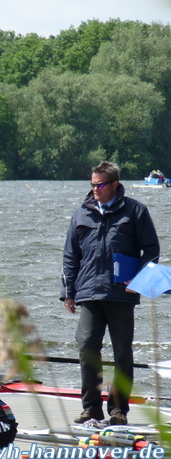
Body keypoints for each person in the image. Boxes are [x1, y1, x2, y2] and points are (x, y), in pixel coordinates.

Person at [61, 161, 160, 425]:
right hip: (89, 294)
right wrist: (68, 292)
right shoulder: (82, 213)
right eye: (92, 184)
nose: (95, 189)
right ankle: (91, 408)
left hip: (121, 294)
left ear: (115, 185)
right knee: (87, 349)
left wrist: (137, 280)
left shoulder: (135, 211)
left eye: (100, 185)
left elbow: (151, 251)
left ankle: (118, 410)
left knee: (122, 354)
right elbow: (70, 256)